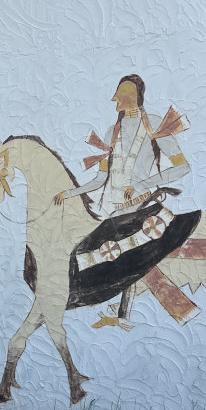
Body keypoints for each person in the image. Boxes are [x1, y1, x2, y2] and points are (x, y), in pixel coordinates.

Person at [54, 75, 190, 330]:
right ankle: (117, 311)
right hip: (115, 211)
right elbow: (100, 179)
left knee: (121, 254)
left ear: (132, 96)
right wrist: (70, 193)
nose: (116, 100)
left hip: (142, 207)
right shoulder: (111, 132)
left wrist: (141, 185)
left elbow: (183, 167)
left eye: (121, 95)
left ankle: (122, 313)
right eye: (117, 96)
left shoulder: (156, 125)